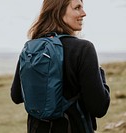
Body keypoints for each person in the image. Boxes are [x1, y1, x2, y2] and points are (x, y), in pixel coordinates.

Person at [10, 0, 110, 132]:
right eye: (77, 8)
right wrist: (100, 74)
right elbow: (99, 108)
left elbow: (16, 96)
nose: (83, 13)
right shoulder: (83, 48)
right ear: (58, 11)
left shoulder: (31, 47)